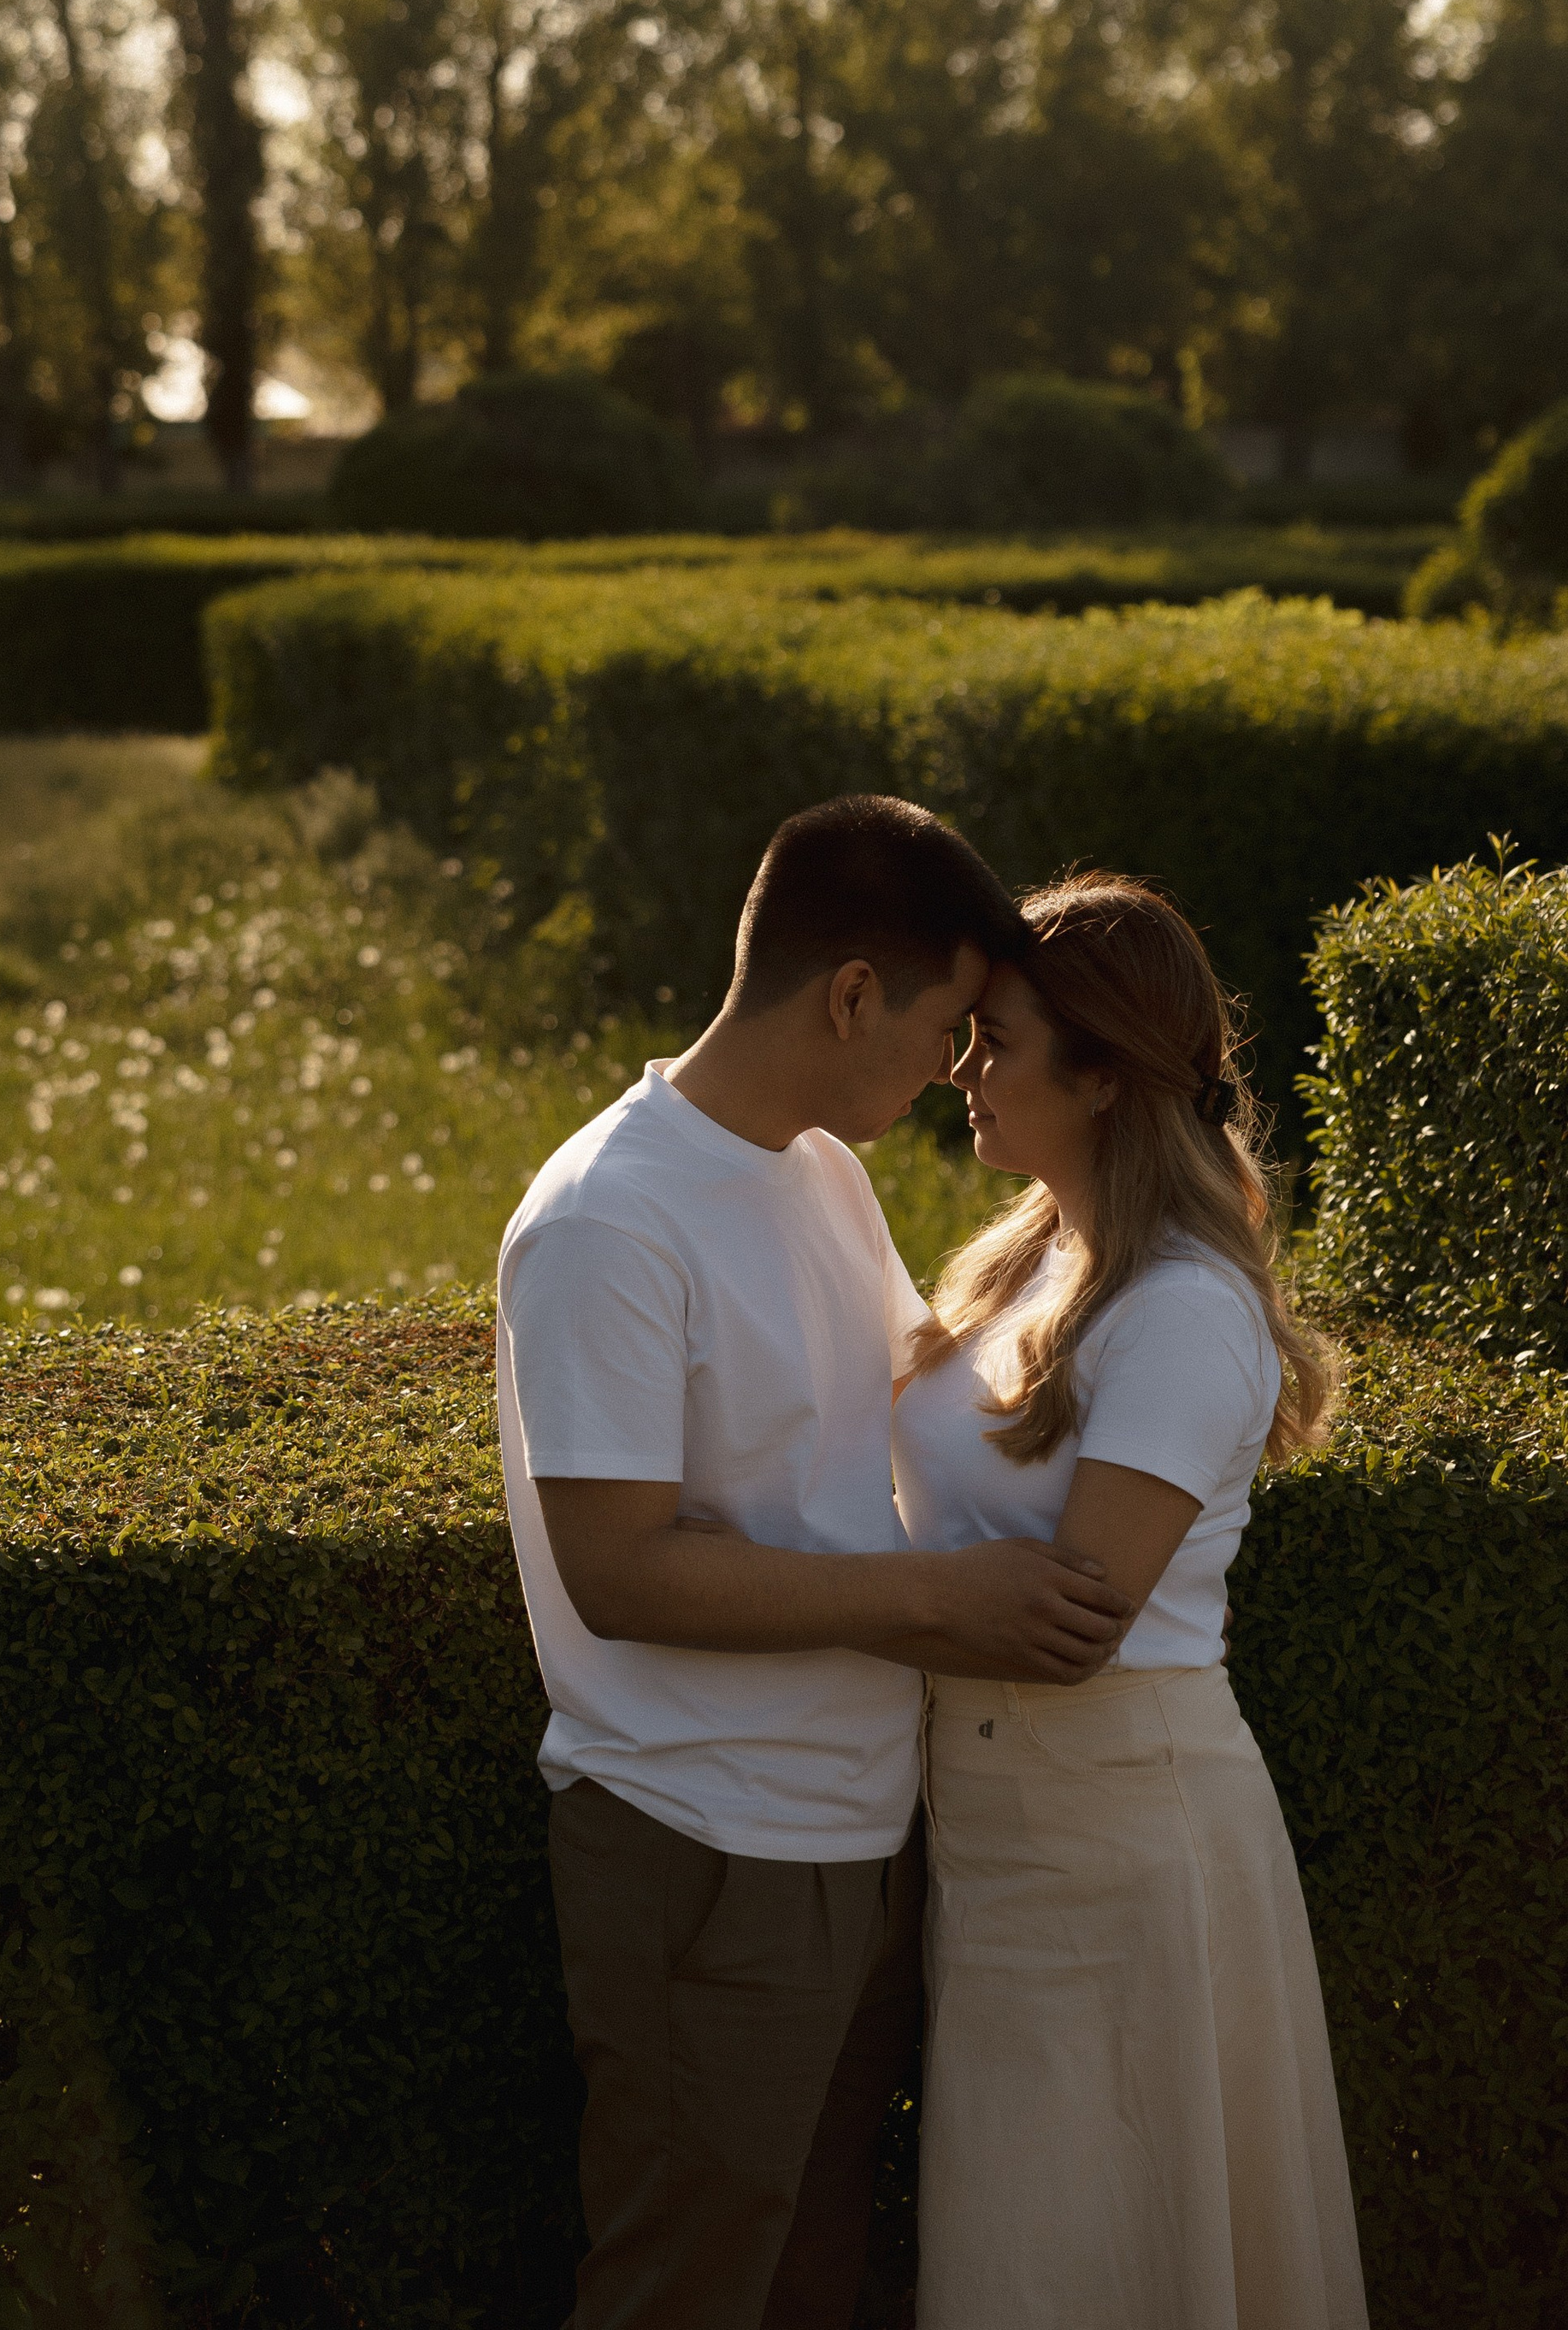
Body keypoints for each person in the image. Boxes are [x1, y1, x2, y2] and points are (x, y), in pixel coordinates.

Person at [495, 795, 1135, 2330]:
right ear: (854, 993)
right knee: (686, 2288)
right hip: (706, 1842)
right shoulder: (607, 1219)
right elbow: (621, 1571)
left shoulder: (819, 1172)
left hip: (862, 1828)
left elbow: (922, 1406)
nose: (958, 1067)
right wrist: (939, 1599)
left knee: (814, 2280)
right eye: (951, 1025)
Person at [893, 868, 1367, 2330]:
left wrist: (796, 1599)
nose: (960, 1074)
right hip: (996, 1826)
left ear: (1101, 1076)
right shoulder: (1026, 1257)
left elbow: (1077, 1613)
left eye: (999, 1045)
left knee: (1101, 2250)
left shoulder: (1182, 1308)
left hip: (1120, 1839)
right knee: (1024, 2247)